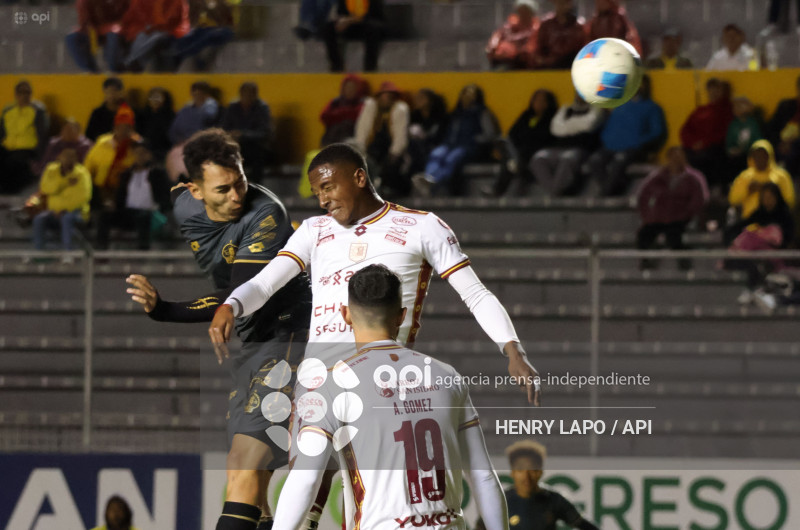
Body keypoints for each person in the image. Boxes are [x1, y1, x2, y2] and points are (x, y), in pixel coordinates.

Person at [211, 143, 541, 404]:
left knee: (371, 487)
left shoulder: (422, 227)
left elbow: (475, 293)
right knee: (308, 481)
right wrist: (232, 305)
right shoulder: (314, 230)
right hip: (318, 380)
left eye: (328, 187)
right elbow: (266, 283)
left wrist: (513, 350)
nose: (323, 199)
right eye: (317, 193)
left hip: (383, 380)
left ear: (358, 178)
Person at [125, 129, 312, 530]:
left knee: (243, 466)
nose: (236, 195)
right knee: (251, 485)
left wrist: (165, 310)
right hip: (252, 337)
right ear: (195, 190)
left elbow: (240, 294)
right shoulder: (182, 205)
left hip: (290, 331)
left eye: (241, 181)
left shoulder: (266, 213)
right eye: (223, 188)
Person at [272, 264, 510, 530]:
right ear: (401, 316)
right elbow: (484, 478)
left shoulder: (328, 384)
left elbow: (305, 480)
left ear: (345, 315)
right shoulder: (447, 376)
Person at [475, 441, 599, 530]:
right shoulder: (500, 502)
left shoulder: (554, 500)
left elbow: (583, 524)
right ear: (512, 473)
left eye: (532, 470)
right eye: (520, 470)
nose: (526, 477)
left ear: (540, 472)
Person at [585, 74, 666, 196]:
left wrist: (638, 142)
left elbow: (656, 131)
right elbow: (609, 127)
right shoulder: (619, 106)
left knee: (619, 161)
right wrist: (607, 140)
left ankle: (605, 193)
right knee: (595, 160)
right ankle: (611, 190)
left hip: (634, 148)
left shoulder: (652, 107)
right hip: (611, 147)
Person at [413, 85, 498, 196]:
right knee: (436, 154)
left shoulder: (482, 113)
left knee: (452, 158)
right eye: (465, 93)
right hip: (450, 144)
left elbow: (490, 134)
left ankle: (436, 181)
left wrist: (476, 139)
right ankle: (428, 178)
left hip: (469, 147)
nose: (467, 96)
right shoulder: (456, 114)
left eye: (471, 93)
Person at [636, 146, 708, 270]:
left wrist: (687, 214)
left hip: (680, 218)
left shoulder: (692, 179)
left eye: (680, 157)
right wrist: (648, 216)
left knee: (674, 236)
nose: (677, 160)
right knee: (643, 234)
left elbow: (698, 200)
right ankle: (646, 262)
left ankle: (684, 263)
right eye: (674, 157)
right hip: (658, 218)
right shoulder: (657, 178)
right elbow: (643, 197)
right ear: (668, 158)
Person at [725, 182, 795, 304]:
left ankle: (767, 294)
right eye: (765, 198)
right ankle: (753, 290)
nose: (767, 201)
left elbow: (786, 239)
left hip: (777, 254)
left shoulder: (785, 215)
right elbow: (740, 226)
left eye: (770, 197)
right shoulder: (759, 213)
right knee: (745, 259)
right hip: (757, 253)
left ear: (777, 197)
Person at [96, 140, 171, 250]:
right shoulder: (126, 174)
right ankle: (101, 250)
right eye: (137, 153)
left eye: (143, 153)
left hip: (152, 213)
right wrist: (113, 204)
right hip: (129, 213)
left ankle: (143, 250)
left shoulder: (158, 174)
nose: (140, 156)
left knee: (143, 216)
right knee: (105, 215)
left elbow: (165, 197)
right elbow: (120, 197)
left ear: (149, 155)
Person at [531, 93, 604, 196]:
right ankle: (554, 192)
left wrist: (567, 125)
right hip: (559, 148)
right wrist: (577, 126)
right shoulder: (566, 109)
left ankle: (555, 194)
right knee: (538, 158)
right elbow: (555, 129)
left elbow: (589, 125)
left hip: (580, 149)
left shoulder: (597, 109)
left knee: (567, 158)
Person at [488, 89, 558, 197]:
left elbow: (543, 138)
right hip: (518, 149)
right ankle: (515, 162)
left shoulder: (552, 117)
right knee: (504, 145)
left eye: (542, 101)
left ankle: (497, 188)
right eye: (536, 100)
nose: (538, 103)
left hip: (534, 151)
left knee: (511, 160)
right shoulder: (527, 115)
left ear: (549, 103)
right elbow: (512, 133)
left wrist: (526, 138)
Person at [354, 81, 410, 198]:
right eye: (384, 96)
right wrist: (361, 150)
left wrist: (395, 153)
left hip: (391, 151)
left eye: (390, 96)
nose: (386, 99)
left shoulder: (400, 110)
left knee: (392, 165)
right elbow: (362, 131)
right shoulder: (371, 110)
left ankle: (390, 189)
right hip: (372, 148)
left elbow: (401, 136)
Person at [32, 148, 92, 256]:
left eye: (70, 158)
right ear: (59, 158)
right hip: (53, 212)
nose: (67, 161)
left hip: (77, 212)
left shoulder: (82, 173)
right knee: (39, 219)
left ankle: (68, 253)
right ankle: (38, 252)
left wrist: (65, 210)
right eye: (65, 158)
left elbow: (84, 197)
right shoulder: (51, 170)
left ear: (75, 160)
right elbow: (45, 188)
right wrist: (63, 183)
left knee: (67, 218)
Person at [679, 78, 734, 191]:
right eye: (711, 90)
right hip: (693, 147)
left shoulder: (727, 110)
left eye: (717, 90)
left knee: (708, 157)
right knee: (679, 155)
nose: (713, 93)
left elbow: (725, 132)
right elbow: (685, 130)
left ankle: (703, 190)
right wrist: (692, 143)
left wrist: (704, 143)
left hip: (713, 148)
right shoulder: (700, 110)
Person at [84, 104, 139, 209]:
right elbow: (88, 167)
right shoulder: (102, 143)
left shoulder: (136, 144)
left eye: (127, 127)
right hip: (101, 188)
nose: (123, 131)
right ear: (115, 127)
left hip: (125, 190)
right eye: (120, 127)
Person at [0, 81, 49, 195]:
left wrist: (40, 158)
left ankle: (9, 190)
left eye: (27, 92)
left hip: (27, 149)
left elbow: (42, 136)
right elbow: (2, 132)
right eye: (21, 92)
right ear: (16, 94)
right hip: (8, 146)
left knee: (14, 161)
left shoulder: (37, 111)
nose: (24, 95)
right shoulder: (8, 111)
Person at [728, 140, 795, 220]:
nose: (760, 158)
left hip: (775, 221)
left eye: (763, 155)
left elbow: (790, 201)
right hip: (751, 222)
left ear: (769, 156)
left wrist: (770, 190)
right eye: (757, 155)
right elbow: (733, 200)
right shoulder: (745, 177)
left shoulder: (782, 176)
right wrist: (748, 191)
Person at [221, 82, 273, 182]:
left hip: (255, 145)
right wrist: (232, 134)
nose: (247, 97)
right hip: (235, 145)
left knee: (256, 153)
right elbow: (224, 127)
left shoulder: (261, 108)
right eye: (245, 94)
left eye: (250, 94)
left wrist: (243, 134)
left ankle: (256, 186)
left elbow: (264, 132)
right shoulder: (233, 108)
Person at [122, 0, 191, 71]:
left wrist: (153, 28)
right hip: (158, 29)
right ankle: (132, 61)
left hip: (173, 32)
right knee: (143, 35)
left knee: (156, 37)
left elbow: (171, 21)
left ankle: (134, 61)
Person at [66, 0, 130, 73]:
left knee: (113, 36)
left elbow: (128, 18)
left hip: (120, 32)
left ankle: (116, 70)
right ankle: (91, 71)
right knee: (73, 37)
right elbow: (84, 23)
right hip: (97, 31)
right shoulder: (84, 2)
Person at [320, 0, 384, 72]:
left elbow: (375, 15)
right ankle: (336, 66)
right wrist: (341, 21)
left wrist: (351, 20)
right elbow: (340, 13)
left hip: (368, 24)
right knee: (329, 28)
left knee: (373, 29)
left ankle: (370, 68)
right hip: (349, 25)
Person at [174, 0, 236, 71]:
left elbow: (224, 19)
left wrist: (210, 7)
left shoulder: (219, 3)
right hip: (204, 29)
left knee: (212, 36)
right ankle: (186, 54)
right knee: (189, 36)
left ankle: (185, 53)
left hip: (223, 30)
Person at [486, 0, 540, 71]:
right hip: (507, 63)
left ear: (532, 13)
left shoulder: (538, 28)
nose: (523, 14)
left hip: (531, 65)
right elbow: (492, 48)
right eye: (521, 11)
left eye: (526, 11)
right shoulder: (506, 28)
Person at [531, 0, 586, 70]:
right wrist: (543, 60)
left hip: (570, 67)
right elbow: (538, 49)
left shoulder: (577, 27)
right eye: (560, 2)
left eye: (566, 2)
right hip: (549, 68)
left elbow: (582, 48)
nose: (563, 6)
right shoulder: (546, 26)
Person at [407, 88, 449, 178]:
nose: (418, 100)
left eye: (422, 98)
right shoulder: (415, 116)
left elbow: (440, 137)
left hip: (435, 147)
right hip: (418, 149)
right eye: (417, 98)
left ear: (431, 101)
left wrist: (425, 137)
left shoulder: (440, 117)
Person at [320, 75, 368, 146]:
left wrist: (337, 114)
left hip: (351, 139)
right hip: (330, 138)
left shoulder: (363, 102)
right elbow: (324, 116)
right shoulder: (335, 102)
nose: (349, 90)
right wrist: (345, 113)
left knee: (347, 123)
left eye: (353, 87)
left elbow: (357, 115)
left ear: (358, 89)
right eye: (347, 87)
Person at [766, 74, 800, 175]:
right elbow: (771, 128)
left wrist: (792, 144)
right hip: (780, 144)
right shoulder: (785, 106)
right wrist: (779, 142)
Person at [169, 81, 220, 146]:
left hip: (205, 144)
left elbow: (211, 123)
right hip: (182, 144)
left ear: (207, 94)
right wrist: (179, 141)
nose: (197, 96)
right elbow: (174, 129)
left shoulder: (215, 109)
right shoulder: (185, 110)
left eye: (201, 93)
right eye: (195, 93)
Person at [135, 87, 175, 163]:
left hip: (163, 152)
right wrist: (142, 145)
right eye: (152, 97)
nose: (155, 100)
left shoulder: (170, 115)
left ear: (165, 99)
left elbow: (171, 137)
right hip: (143, 150)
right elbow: (135, 135)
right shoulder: (142, 115)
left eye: (159, 97)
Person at [726, 96, 763, 177]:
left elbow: (758, 140)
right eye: (735, 106)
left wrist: (746, 150)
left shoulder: (753, 123)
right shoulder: (733, 125)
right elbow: (729, 143)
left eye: (740, 106)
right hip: (735, 156)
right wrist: (732, 150)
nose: (736, 109)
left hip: (750, 154)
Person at [86, 77, 126, 143]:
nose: (112, 95)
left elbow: (137, 135)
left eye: (115, 91)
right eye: (109, 91)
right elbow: (90, 136)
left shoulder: (130, 112)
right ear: (104, 92)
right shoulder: (97, 114)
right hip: (103, 148)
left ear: (121, 93)